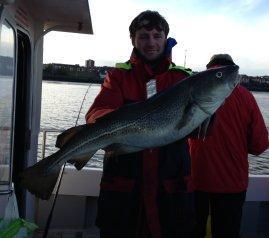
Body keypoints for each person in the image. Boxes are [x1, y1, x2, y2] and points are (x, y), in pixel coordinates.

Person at [85, 10, 194, 238]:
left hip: (170, 188)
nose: (151, 42)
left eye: (157, 35)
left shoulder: (183, 79)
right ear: (133, 40)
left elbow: (203, 132)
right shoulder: (118, 76)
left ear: (166, 38)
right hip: (125, 188)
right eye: (143, 36)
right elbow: (96, 112)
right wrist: (114, 123)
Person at [189, 54, 269, 238]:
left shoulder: (193, 89)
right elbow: (259, 145)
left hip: (195, 181)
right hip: (231, 186)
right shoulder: (246, 97)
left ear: (209, 68)